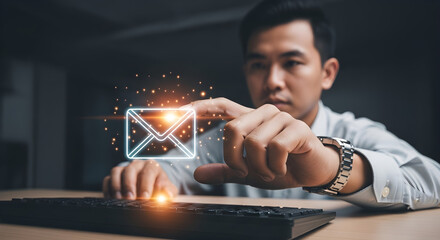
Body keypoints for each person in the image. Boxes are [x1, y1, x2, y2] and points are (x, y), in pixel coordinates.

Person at [102, 0, 440, 210]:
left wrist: (330, 168)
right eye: (258, 64)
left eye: (292, 62)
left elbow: (432, 181)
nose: (272, 81)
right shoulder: (222, 140)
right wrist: (147, 174)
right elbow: (169, 171)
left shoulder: (355, 132)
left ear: (327, 73)